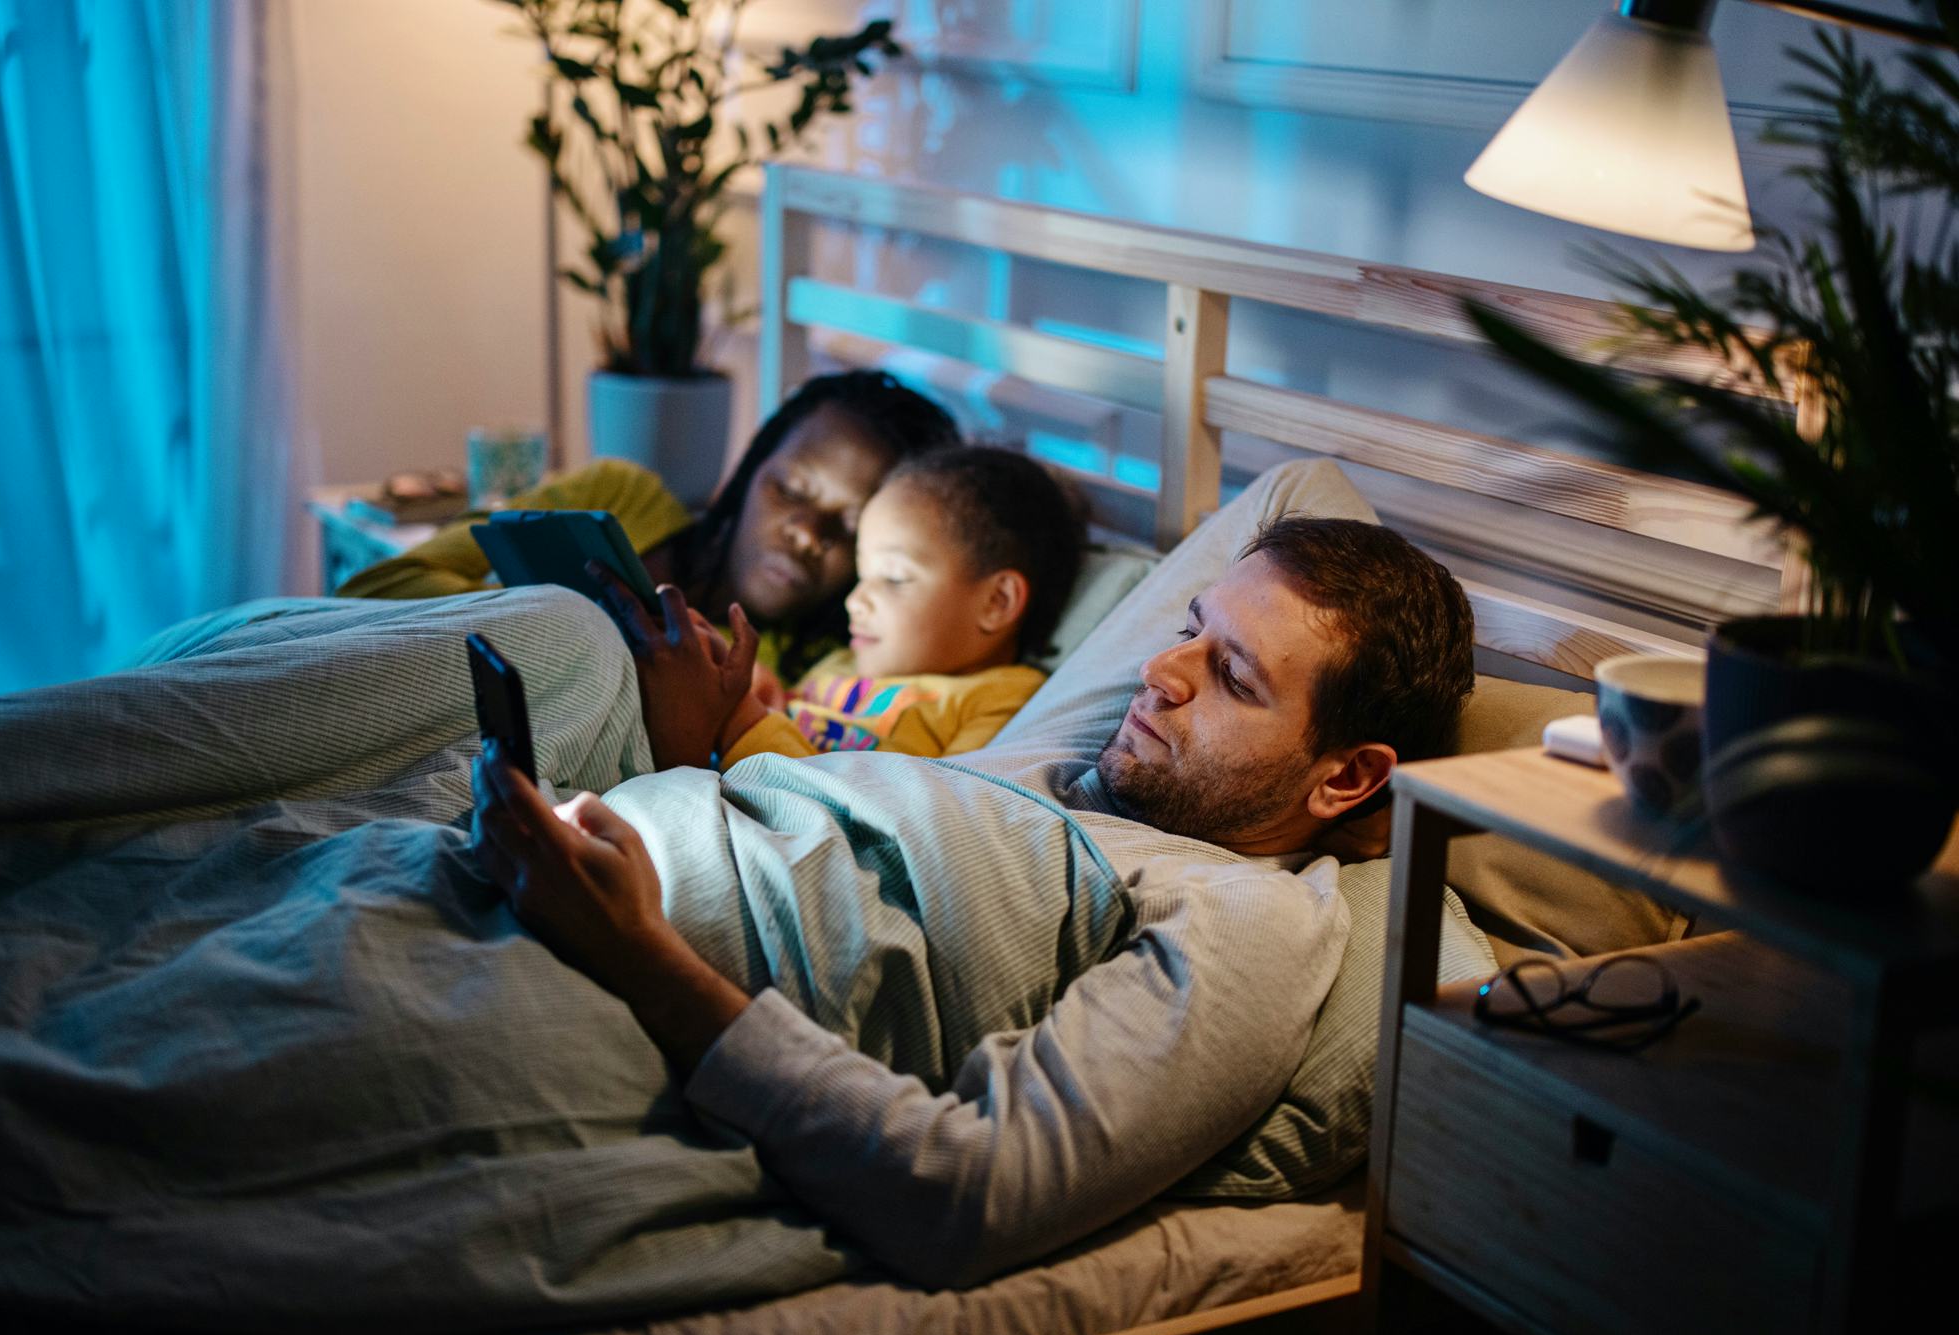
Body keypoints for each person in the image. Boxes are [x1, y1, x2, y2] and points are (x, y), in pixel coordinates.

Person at [471, 510, 1477, 1288]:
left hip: (590, 963)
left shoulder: (1250, 917)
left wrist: (633, 953)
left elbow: (970, 1195)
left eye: (1232, 678)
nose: (1158, 672)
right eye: (1186, 629)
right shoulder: (1077, 764)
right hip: (557, 855)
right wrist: (698, 739)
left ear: (1345, 779)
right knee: (563, 631)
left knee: (548, 632)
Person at [338, 370, 960, 677]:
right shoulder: (619, 498)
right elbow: (372, 592)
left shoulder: (814, 676)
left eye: (849, 525)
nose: (806, 531)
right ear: (749, 471)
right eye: (791, 488)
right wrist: (560, 625)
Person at [615, 444, 1086, 770]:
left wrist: (739, 717)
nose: (854, 600)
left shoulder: (1004, 697)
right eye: (861, 576)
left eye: (894, 578)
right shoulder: (843, 663)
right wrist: (757, 691)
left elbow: (920, 813)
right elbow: (784, 728)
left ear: (996, 602)